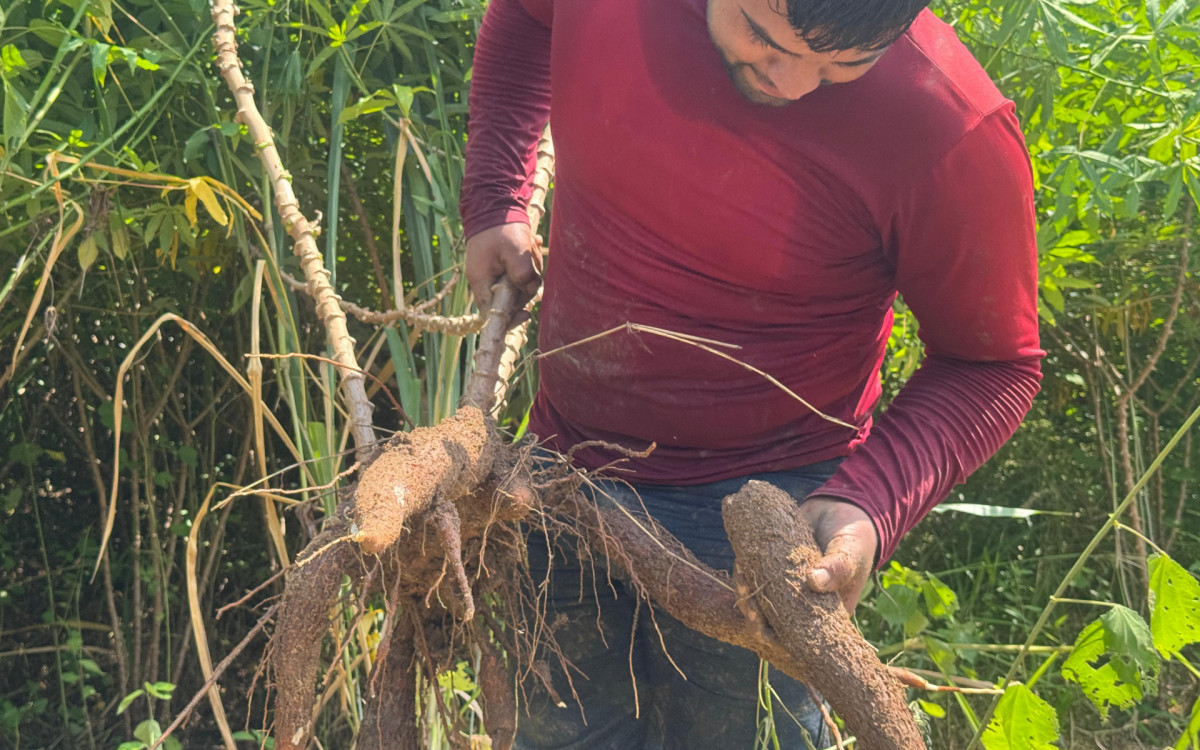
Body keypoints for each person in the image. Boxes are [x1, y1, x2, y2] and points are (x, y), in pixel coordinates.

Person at [459, 0, 1043, 746]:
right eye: (762, 36)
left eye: (843, 65)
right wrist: (495, 197)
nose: (792, 84)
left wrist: (869, 502)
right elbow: (524, 16)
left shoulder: (947, 127)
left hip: (768, 515)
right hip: (558, 470)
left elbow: (992, 366)